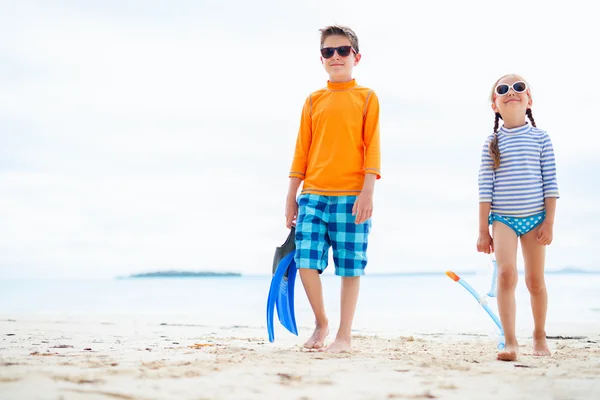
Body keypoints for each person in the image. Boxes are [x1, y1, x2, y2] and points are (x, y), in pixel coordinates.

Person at [284, 25, 381, 353]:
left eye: (342, 51)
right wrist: (290, 196)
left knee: (350, 265)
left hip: (353, 196)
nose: (336, 56)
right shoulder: (313, 100)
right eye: (329, 52)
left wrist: (368, 191)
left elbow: (372, 147)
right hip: (312, 194)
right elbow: (301, 151)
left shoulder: (367, 97)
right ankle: (322, 322)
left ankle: (344, 334)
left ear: (356, 57)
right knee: (306, 261)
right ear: (322, 58)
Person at [477, 74, 559, 361]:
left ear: (529, 100)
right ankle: (511, 341)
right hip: (503, 220)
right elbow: (485, 188)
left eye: (518, 87)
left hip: (536, 218)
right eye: (503, 89)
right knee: (506, 274)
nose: (511, 91)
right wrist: (482, 230)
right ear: (495, 105)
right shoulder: (492, 142)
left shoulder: (541, 138)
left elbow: (550, 183)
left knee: (535, 280)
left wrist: (549, 221)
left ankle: (539, 335)